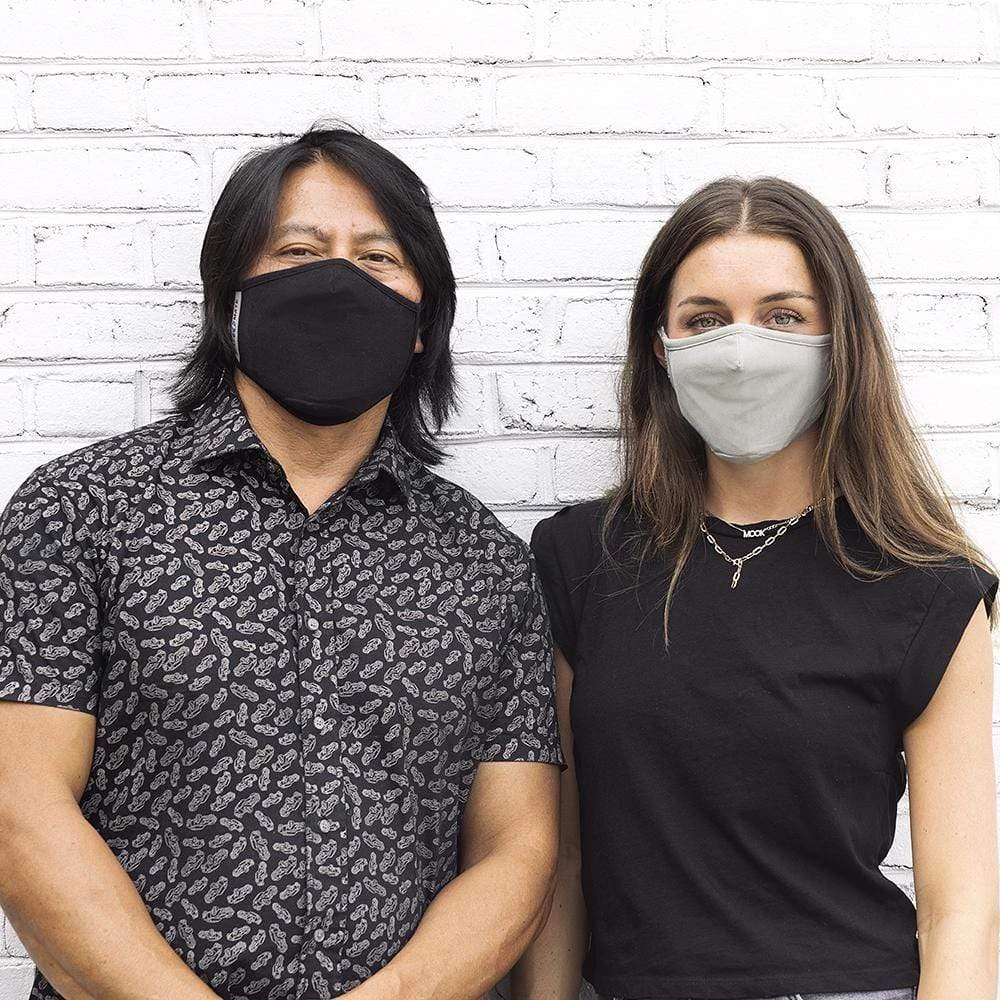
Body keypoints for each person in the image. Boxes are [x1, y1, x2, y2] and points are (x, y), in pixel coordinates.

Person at [0, 125, 564, 1000]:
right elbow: (20, 806)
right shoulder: (83, 512)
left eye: (378, 258)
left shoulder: (484, 563)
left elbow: (517, 850)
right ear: (230, 296)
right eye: (297, 252)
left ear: (424, 320)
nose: (338, 280)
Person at [512, 177, 999, 1000]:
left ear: (839, 339)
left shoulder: (927, 585)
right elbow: (557, 862)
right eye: (705, 320)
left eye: (783, 316)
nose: (741, 349)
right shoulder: (581, 561)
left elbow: (964, 913)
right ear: (661, 346)